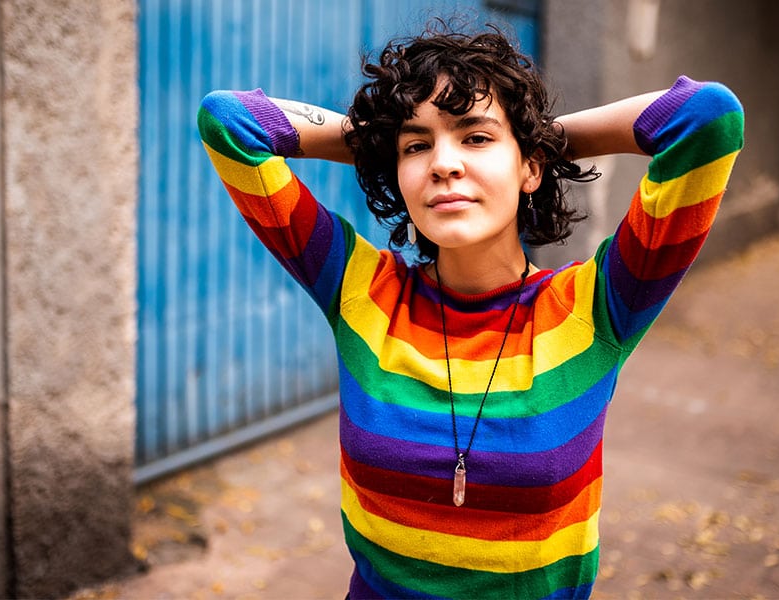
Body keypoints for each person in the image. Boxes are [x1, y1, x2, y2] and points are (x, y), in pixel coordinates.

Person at [198, 20, 744, 600]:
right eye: (417, 147)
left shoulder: (596, 308)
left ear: (530, 168)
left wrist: (540, 139)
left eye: (475, 139)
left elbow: (706, 118)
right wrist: (391, 139)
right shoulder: (360, 290)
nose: (444, 164)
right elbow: (230, 122)